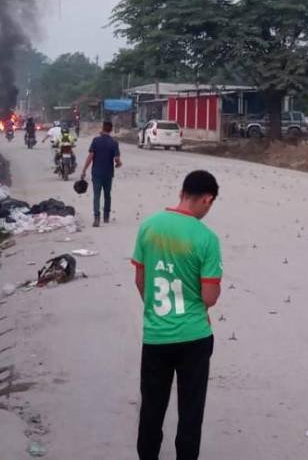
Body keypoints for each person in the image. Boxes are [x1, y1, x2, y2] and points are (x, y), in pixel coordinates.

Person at [132, 170, 222, 460]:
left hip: (156, 336)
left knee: (152, 409)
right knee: (190, 412)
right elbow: (209, 296)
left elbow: (140, 280)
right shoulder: (206, 238)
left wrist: (159, 310)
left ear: (183, 192)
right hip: (194, 338)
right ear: (207, 199)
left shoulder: (149, 227)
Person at [81, 120, 122, 227]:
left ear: (102, 128)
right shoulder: (114, 142)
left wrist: (84, 170)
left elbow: (90, 156)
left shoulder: (95, 141)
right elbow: (117, 159)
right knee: (107, 195)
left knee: (96, 195)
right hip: (108, 174)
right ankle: (106, 216)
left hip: (96, 173)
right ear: (111, 129)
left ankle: (96, 218)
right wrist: (118, 163)